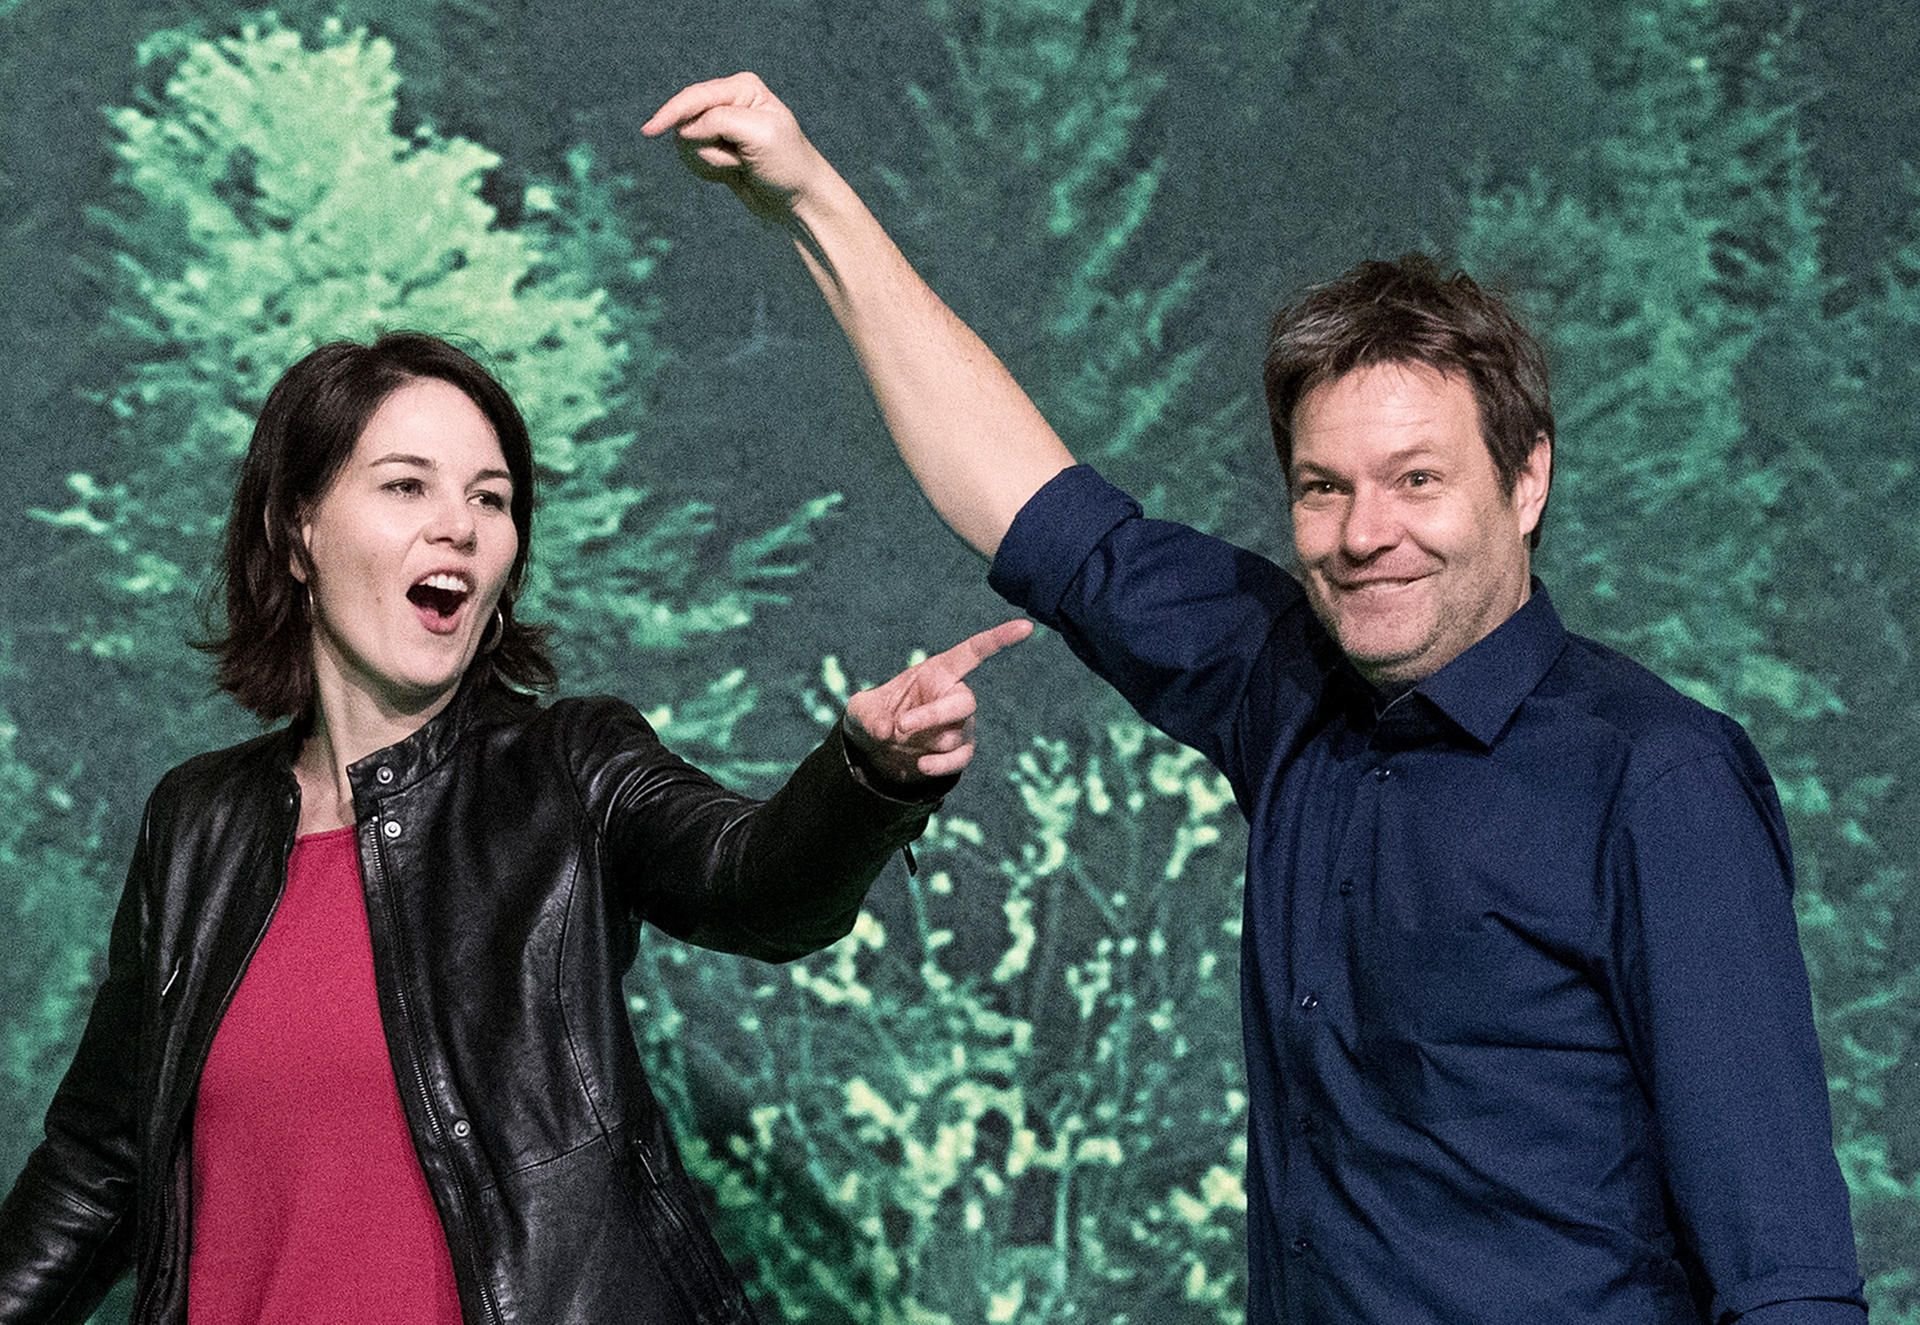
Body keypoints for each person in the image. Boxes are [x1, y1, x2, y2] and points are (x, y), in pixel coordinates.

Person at [642, 74, 1868, 1323]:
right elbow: (1033, 505)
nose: (1366, 532)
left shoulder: (1656, 778)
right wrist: (809, 197)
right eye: (1323, 487)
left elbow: (1791, 1278)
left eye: (1417, 479)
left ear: (1528, 478)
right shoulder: (1285, 687)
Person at [0, 331, 1030, 1324]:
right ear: (297, 529)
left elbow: (753, 882)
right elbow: (99, 1165)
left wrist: (867, 777)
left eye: (489, 498)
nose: (459, 523)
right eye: (406, 485)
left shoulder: (567, 768)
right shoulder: (196, 825)